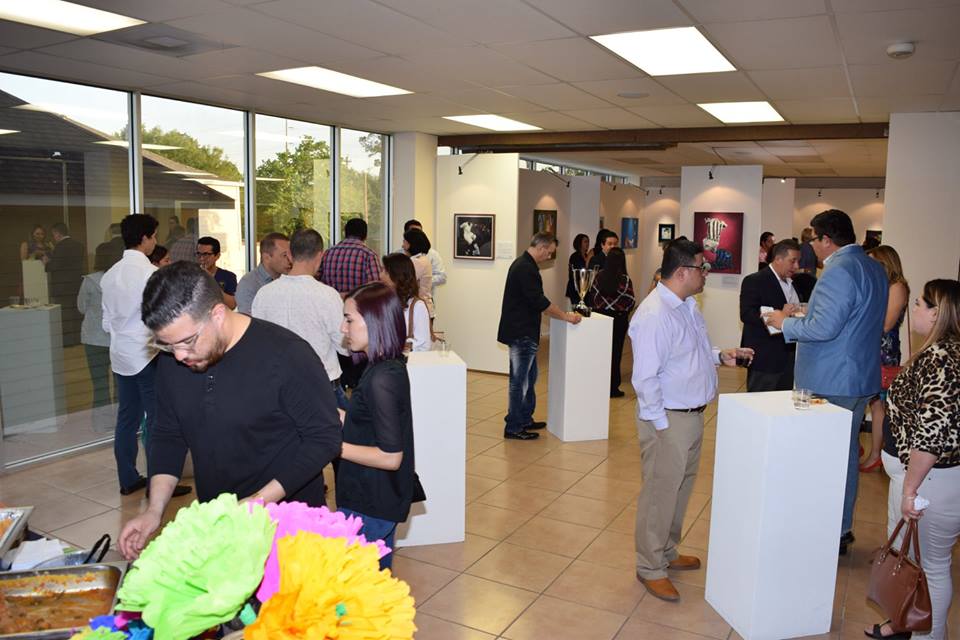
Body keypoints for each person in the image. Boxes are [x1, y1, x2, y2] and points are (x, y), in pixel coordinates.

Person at [118, 262, 342, 561]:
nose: (180, 355)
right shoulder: (174, 363)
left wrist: (259, 501)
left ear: (218, 315)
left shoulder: (287, 355)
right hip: (221, 522)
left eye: (187, 341)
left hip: (291, 524)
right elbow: (168, 435)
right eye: (168, 346)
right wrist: (154, 510)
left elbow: (324, 438)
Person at [629, 237, 751, 602]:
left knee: (679, 490)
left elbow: (688, 353)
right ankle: (649, 565)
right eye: (703, 268)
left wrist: (719, 355)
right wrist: (661, 428)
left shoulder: (686, 305)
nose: (706, 275)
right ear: (683, 272)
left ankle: (666, 550)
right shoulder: (654, 315)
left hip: (691, 416)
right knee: (659, 494)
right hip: (668, 419)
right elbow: (645, 379)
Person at [765, 209, 887, 555]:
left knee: (822, 459)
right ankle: (841, 526)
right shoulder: (872, 267)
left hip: (832, 379)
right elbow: (850, 320)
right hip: (858, 376)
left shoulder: (838, 271)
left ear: (826, 240)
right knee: (844, 456)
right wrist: (806, 313)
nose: (811, 248)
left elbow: (824, 329)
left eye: (812, 240)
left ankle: (824, 529)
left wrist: (782, 322)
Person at [866, 279, 960, 640]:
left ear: (938, 313)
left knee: (932, 568)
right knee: (911, 561)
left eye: (920, 304)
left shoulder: (940, 359)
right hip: (921, 479)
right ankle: (904, 623)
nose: (913, 309)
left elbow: (932, 435)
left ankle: (928, 635)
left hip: (929, 482)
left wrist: (909, 489)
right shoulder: (940, 350)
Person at [100, 214, 191, 498]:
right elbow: (163, 319)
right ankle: (159, 484)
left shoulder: (110, 274)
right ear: (144, 238)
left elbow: (106, 323)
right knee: (158, 421)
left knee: (127, 419)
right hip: (148, 355)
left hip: (121, 356)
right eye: (153, 236)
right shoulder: (150, 274)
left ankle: (128, 479)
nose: (155, 241)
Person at [337, 281, 417, 570]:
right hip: (373, 496)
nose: (343, 328)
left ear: (374, 321)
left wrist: (334, 447)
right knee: (375, 587)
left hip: (371, 500)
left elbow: (391, 456)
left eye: (349, 319)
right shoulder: (382, 367)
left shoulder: (383, 378)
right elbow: (364, 423)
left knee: (359, 591)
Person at [497, 233, 582, 440]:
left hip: (524, 332)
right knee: (520, 381)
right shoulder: (525, 267)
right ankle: (514, 427)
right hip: (521, 332)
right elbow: (538, 301)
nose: (549, 256)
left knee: (530, 377)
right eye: (550, 252)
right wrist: (565, 316)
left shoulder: (525, 264)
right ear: (542, 247)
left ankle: (525, 418)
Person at [252, 229, 348, 409]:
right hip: (321, 385)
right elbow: (344, 346)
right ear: (320, 255)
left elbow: (257, 343)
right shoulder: (327, 295)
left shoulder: (264, 294)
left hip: (277, 387)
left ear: (289, 254)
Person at [860, 245, 910, 473]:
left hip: (883, 353)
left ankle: (875, 455)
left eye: (875, 263)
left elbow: (886, 325)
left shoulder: (897, 287)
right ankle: (864, 450)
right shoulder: (880, 285)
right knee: (868, 401)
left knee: (878, 405)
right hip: (870, 349)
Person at [739, 239, 806, 392]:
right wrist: (779, 315)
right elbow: (747, 313)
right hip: (765, 357)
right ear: (778, 259)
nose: (796, 266)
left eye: (798, 261)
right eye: (793, 261)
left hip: (790, 356)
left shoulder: (794, 283)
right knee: (760, 404)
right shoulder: (754, 280)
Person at [589, 247, 635, 398]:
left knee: (600, 353)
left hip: (601, 319)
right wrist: (621, 310)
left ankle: (598, 384)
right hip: (619, 320)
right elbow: (630, 301)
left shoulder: (598, 277)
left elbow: (593, 298)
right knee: (615, 354)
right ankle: (613, 387)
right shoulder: (625, 280)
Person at [77, 249, 113, 411]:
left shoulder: (89, 281)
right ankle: (120, 419)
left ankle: (101, 422)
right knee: (122, 384)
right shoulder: (119, 280)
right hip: (115, 338)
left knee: (99, 384)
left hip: (93, 338)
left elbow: (81, 307)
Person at [43, 222, 86, 347]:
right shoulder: (79, 245)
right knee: (76, 312)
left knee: (65, 315)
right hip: (76, 284)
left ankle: (68, 342)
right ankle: (78, 339)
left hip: (62, 287)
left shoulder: (60, 247)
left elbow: (55, 266)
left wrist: (46, 263)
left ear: (57, 233)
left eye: (53, 234)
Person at [381, 253, 431, 352]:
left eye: (385, 271)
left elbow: (424, 346)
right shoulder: (384, 301)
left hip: (407, 364)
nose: (381, 275)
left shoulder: (417, 306)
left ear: (397, 276)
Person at [319, 217, 381, 296]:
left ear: (345, 233)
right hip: (358, 306)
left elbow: (317, 281)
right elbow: (375, 288)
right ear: (365, 235)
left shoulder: (328, 253)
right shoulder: (369, 255)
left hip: (331, 305)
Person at [235, 232, 291, 314]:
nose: (290, 260)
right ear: (267, 257)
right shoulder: (248, 284)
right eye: (285, 255)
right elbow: (249, 321)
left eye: (291, 255)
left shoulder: (290, 279)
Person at [401, 219, 446, 295]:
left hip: (421, 298)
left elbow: (442, 277)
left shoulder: (428, 256)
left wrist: (424, 281)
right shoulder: (399, 254)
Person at [196, 236, 237, 310]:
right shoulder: (191, 275)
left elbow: (232, 305)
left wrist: (211, 281)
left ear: (217, 256)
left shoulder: (228, 276)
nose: (202, 258)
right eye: (199, 254)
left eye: (206, 254)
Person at [402, 227, 435, 319]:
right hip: (422, 308)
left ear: (410, 244)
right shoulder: (421, 259)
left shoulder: (417, 262)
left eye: (404, 241)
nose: (402, 245)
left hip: (419, 310)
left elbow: (404, 282)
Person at [566, 233, 591, 307]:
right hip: (576, 288)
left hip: (585, 288)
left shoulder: (587, 256)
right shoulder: (574, 256)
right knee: (578, 312)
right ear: (579, 243)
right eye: (585, 241)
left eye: (588, 242)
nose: (587, 244)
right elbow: (579, 272)